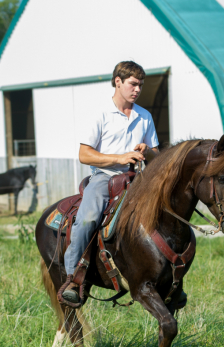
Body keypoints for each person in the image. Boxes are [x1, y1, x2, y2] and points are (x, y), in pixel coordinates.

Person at [59, 61, 159, 304]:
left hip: (137, 178)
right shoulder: (101, 114)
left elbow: (157, 154)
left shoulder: (144, 116)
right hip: (105, 177)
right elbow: (84, 155)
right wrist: (120, 157)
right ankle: (72, 278)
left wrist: (148, 151)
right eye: (133, 84)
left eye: (140, 85)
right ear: (118, 81)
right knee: (89, 218)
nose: (137, 89)